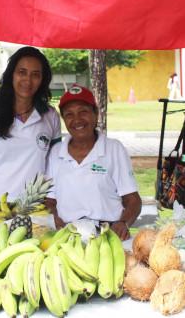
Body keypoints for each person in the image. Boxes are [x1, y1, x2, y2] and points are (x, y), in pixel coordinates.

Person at [0, 47, 61, 207]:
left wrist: (52, 201)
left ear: (43, 79)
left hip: (33, 206)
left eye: (35, 75)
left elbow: (55, 166)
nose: (28, 80)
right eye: (22, 72)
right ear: (11, 74)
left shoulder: (50, 116)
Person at [45, 85, 142, 240]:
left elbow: (133, 200)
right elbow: (50, 200)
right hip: (66, 235)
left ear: (96, 114)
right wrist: (53, 218)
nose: (77, 119)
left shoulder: (113, 149)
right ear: (64, 120)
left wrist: (123, 223)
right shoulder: (56, 152)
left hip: (108, 232)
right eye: (69, 114)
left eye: (83, 111)